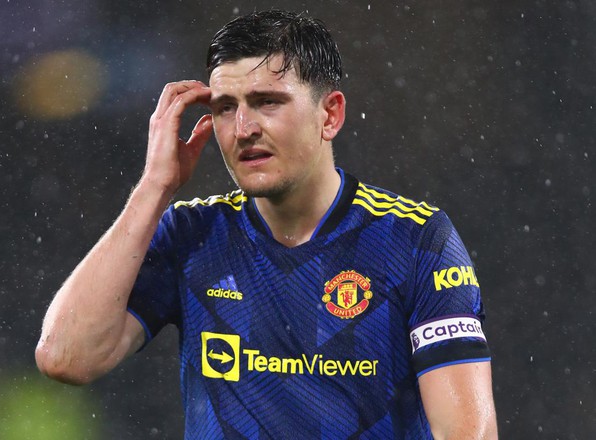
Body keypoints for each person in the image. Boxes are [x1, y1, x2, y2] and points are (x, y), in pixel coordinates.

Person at [36, 9, 498, 439]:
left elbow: (467, 434)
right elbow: (65, 357)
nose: (243, 129)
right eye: (224, 107)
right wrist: (154, 188)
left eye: (267, 102)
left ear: (330, 114)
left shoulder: (415, 240)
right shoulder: (192, 233)